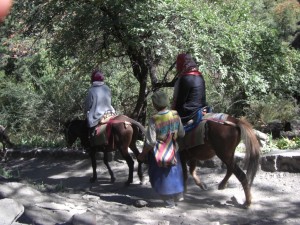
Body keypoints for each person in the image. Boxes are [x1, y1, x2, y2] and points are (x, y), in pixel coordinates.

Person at [138, 90, 185, 208]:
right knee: (175, 173)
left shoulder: (154, 119)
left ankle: (169, 201)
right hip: (174, 150)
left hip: (160, 153)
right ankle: (178, 195)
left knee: (161, 176)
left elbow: (151, 142)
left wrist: (142, 154)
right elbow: (182, 133)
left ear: (154, 104)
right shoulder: (175, 115)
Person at [172, 53, 207, 126]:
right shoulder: (200, 76)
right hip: (202, 109)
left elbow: (180, 102)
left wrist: (172, 111)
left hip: (189, 113)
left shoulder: (184, 78)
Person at [84, 70, 116, 136]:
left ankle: (91, 138)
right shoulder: (107, 88)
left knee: (88, 126)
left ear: (92, 79)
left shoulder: (91, 91)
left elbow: (88, 106)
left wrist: (86, 110)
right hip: (109, 113)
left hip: (97, 116)